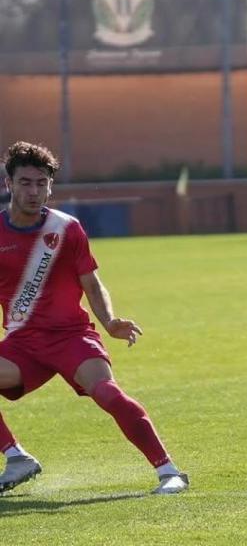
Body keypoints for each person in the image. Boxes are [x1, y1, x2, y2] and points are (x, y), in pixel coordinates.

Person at [0, 141, 188, 495]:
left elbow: (91, 281)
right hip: (24, 344)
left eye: (42, 183)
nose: (34, 191)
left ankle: (169, 471)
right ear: (9, 184)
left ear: (50, 186)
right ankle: (17, 458)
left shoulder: (66, 228)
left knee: (107, 394)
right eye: (25, 182)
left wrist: (111, 321)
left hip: (71, 337)